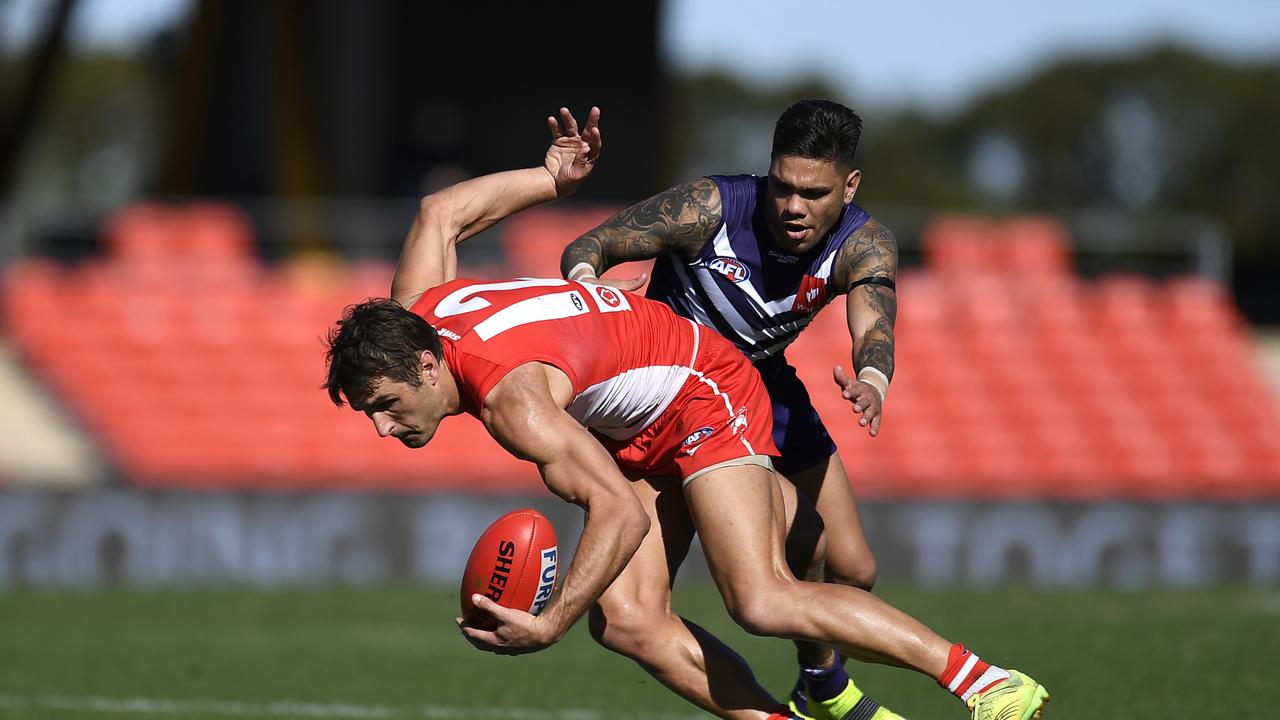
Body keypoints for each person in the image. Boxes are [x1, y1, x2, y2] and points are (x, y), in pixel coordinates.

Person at [323, 106, 1050, 720]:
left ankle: (989, 684)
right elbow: (439, 213)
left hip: (708, 384)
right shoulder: (412, 312)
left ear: (425, 365)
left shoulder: (516, 401)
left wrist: (548, 625)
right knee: (630, 623)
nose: (385, 429)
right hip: (640, 415)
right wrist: (546, 179)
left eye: (385, 407)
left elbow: (620, 514)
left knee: (762, 599)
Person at [558, 98, 900, 719]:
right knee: (782, 558)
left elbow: (873, 323)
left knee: (854, 566)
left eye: (814, 193)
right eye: (783, 187)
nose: (794, 207)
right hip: (680, 395)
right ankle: (816, 690)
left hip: (769, 387)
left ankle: (818, 678)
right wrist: (588, 286)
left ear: (849, 187)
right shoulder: (708, 208)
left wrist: (873, 379)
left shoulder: (864, 242)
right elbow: (592, 244)